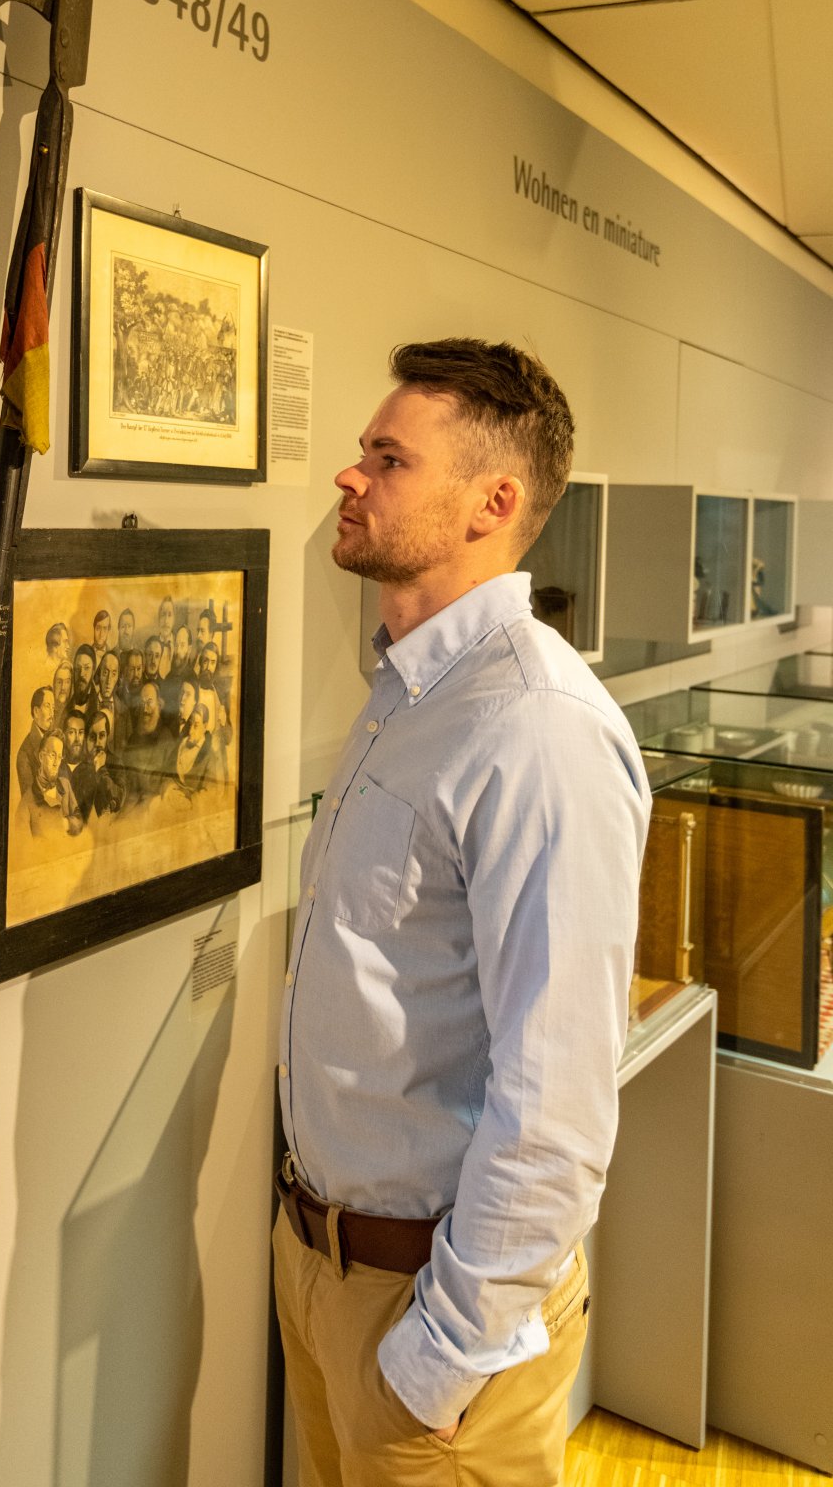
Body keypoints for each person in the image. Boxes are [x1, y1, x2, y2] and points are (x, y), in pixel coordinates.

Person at [275, 338, 648, 1486]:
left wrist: (440, 1352)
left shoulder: (536, 727)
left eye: (388, 459)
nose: (349, 476)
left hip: (432, 1321)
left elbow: (557, 1101)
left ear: (492, 502)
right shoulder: (405, 692)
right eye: (363, 450)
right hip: (326, 1273)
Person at [15, 687, 57, 799]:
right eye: (47, 706)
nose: (52, 713)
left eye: (53, 707)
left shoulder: (55, 740)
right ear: (36, 712)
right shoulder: (24, 754)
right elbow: (30, 801)